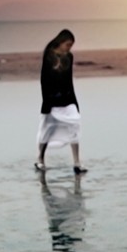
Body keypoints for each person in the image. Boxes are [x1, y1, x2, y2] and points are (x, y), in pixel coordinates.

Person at [35, 28, 86, 174]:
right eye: (67, 44)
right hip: (51, 99)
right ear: (61, 42)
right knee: (47, 129)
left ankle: (77, 163)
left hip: (67, 97)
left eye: (71, 45)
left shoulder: (69, 56)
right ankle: (40, 159)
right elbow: (44, 79)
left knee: (75, 123)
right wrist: (46, 100)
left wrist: (75, 102)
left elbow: (69, 79)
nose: (69, 48)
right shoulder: (49, 55)